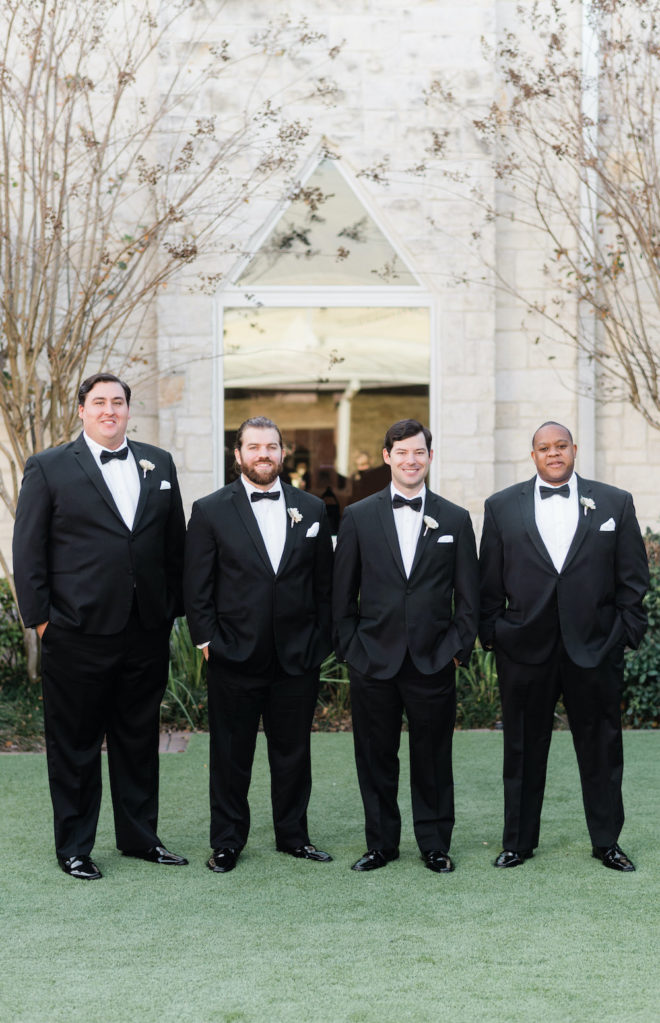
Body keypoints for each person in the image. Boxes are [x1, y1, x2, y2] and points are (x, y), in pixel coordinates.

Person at [12, 372, 188, 880]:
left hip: (145, 631)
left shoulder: (160, 463)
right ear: (82, 410)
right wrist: (43, 623)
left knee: (138, 740)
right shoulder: (48, 468)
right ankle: (74, 848)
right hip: (75, 633)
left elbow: (173, 545)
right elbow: (29, 554)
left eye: (117, 402)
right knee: (75, 746)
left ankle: (140, 839)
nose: (109, 409)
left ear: (128, 410)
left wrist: (168, 612)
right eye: (99, 402)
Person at [479, 421, 649, 871]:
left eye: (560, 446)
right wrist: (496, 633)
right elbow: (488, 582)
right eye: (543, 448)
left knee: (601, 749)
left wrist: (624, 635)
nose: (553, 454)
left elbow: (633, 580)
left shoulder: (615, 502)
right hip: (524, 650)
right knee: (521, 748)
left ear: (574, 449)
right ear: (532, 455)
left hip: (594, 649)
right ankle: (517, 842)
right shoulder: (500, 507)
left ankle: (607, 842)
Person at [184, 416, 334, 873]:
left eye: (271, 447)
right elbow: (197, 586)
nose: (263, 454)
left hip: (297, 657)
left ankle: (293, 836)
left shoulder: (312, 509)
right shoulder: (210, 510)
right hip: (233, 654)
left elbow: (324, 585)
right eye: (254, 447)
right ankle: (227, 841)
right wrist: (208, 641)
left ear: (283, 454)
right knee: (231, 755)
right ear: (238, 455)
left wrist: (320, 643)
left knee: (293, 753)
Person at [333, 419, 479, 873]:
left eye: (419, 452)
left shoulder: (455, 518)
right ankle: (381, 844)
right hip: (373, 661)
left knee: (433, 758)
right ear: (386, 457)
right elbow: (341, 597)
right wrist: (354, 651)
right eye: (402, 452)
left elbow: (469, 599)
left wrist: (455, 649)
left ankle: (435, 844)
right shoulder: (358, 516)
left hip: (433, 660)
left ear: (430, 458)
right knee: (375, 757)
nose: (411, 460)